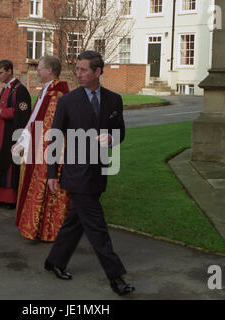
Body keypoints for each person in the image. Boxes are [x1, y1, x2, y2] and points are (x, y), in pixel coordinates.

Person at [44, 51, 135, 295]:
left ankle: (54, 261)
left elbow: (120, 132)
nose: (79, 74)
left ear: (97, 72)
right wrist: (52, 174)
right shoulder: (67, 101)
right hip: (76, 174)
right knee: (97, 227)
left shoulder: (114, 100)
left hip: (98, 173)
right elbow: (54, 139)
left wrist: (112, 138)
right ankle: (116, 278)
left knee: (76, 221)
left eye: (84, 70)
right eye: (77, 69)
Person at [12, 56, 70, 241]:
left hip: (47, 151)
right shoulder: (46, 90)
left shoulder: (56, 94)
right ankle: (35, 227)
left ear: (49, 71)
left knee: (46, 188)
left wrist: (27, 142)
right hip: (37, 146)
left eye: (39, 68)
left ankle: (48, 230)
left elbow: (49, 127)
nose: (36, 71)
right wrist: (23, 140)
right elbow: (34, 119)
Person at [0, 60, 31, 209]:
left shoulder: (20, 90)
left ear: (9, 71)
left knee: (9, 164)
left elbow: (23, 113)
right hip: (1, 132)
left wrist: (1, 112)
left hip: (11, 133)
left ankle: (10, 199)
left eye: (0, 73)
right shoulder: (5, 89)